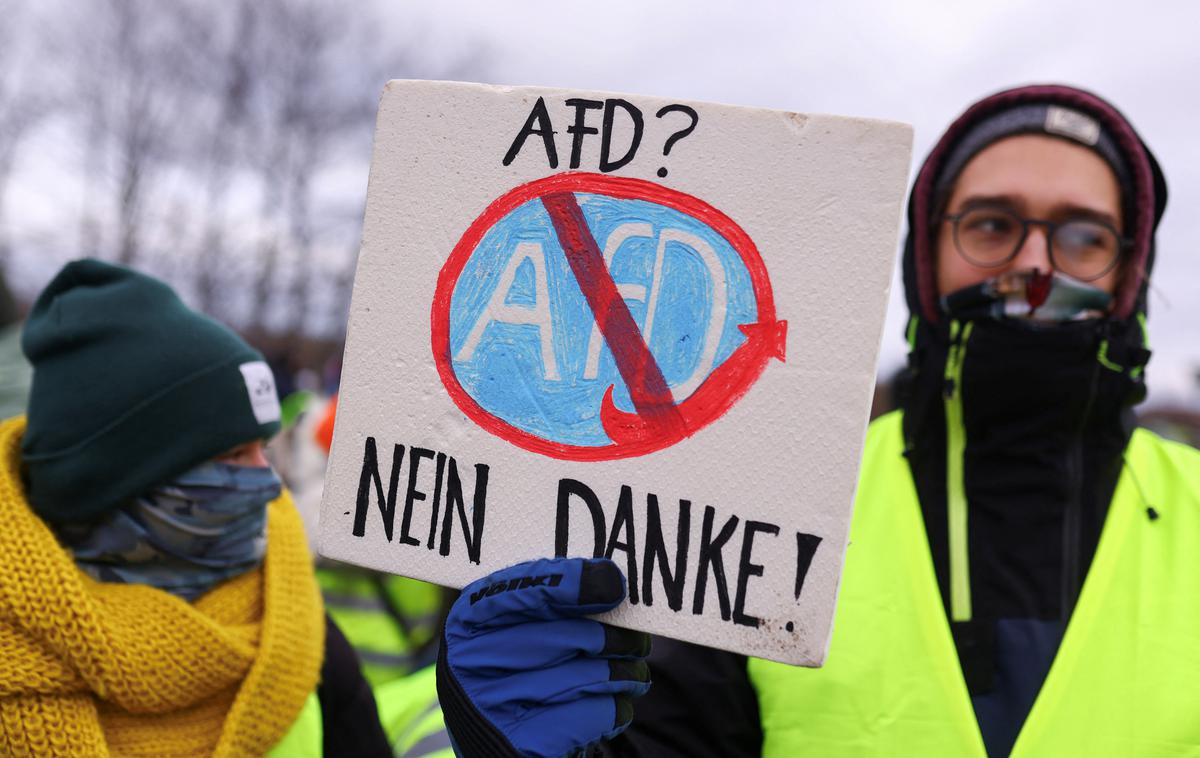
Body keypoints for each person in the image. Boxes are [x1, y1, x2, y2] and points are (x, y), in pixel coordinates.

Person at [427, 83, 1200, 757]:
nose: (1036, 264)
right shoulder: (782, 500)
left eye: (1083, 235)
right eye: (992, 225)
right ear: (921, 261)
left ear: (1131, 272)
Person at [0, 259, 391, 757]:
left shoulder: (298, 628)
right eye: (232, 455)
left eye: (262, 450)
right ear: (116, 479)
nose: (268, 484)